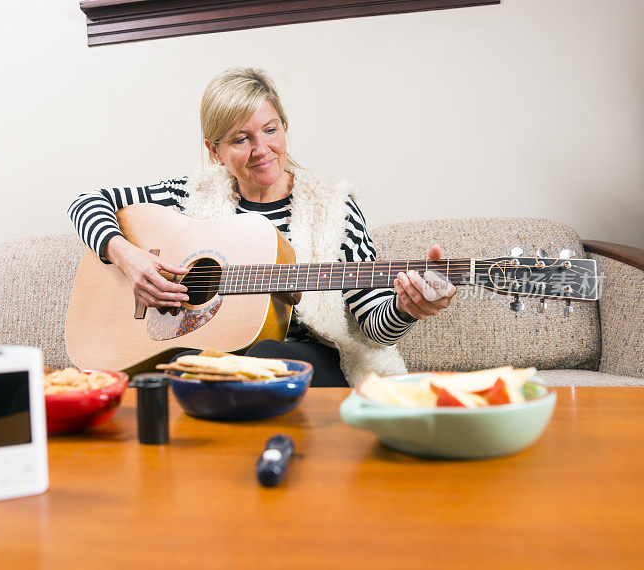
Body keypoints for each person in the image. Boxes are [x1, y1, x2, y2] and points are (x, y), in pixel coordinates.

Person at [68, 68, 456, 387]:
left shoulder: (334, 209)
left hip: (301, 365)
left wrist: (406, 309)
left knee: (263, 359)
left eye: (271, 130)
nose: (262, 149)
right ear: (214, 151)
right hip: (207, 361)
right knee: (176, 371)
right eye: (241, 139)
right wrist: (129, 258)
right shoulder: (189, 197)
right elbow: (85, 202)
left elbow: (374, 328)